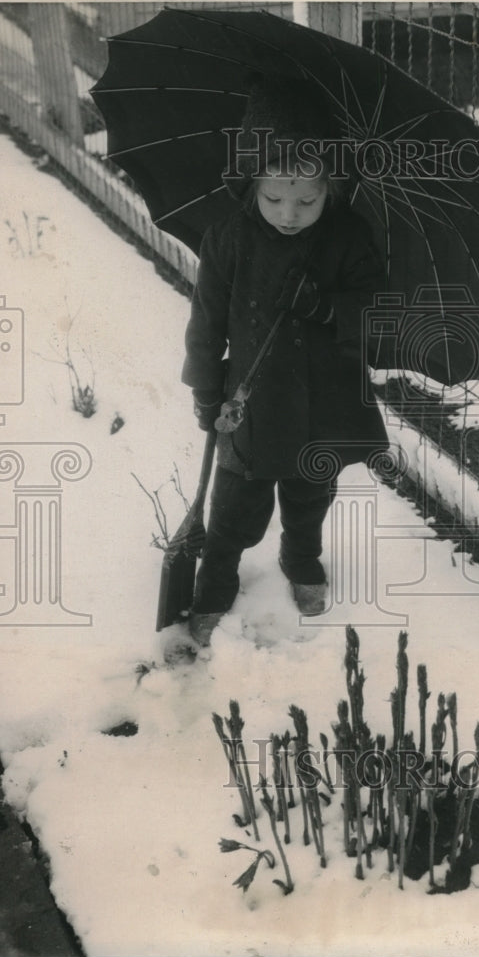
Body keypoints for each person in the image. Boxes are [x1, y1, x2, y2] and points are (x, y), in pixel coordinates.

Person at [167, 77, 388, 661]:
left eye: (306, 201)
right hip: (252, 398)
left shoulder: (348, 237)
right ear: (251, 186)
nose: (289, 214)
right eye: (274, 199)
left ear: (331, 189)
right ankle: (216, 577)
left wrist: (327, 305)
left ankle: (301, 556)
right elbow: (206, 320)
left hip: (324, 396)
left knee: (311, 486)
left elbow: (375, 308)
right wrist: (206, 389)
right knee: (237, 496)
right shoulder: (230, 237)